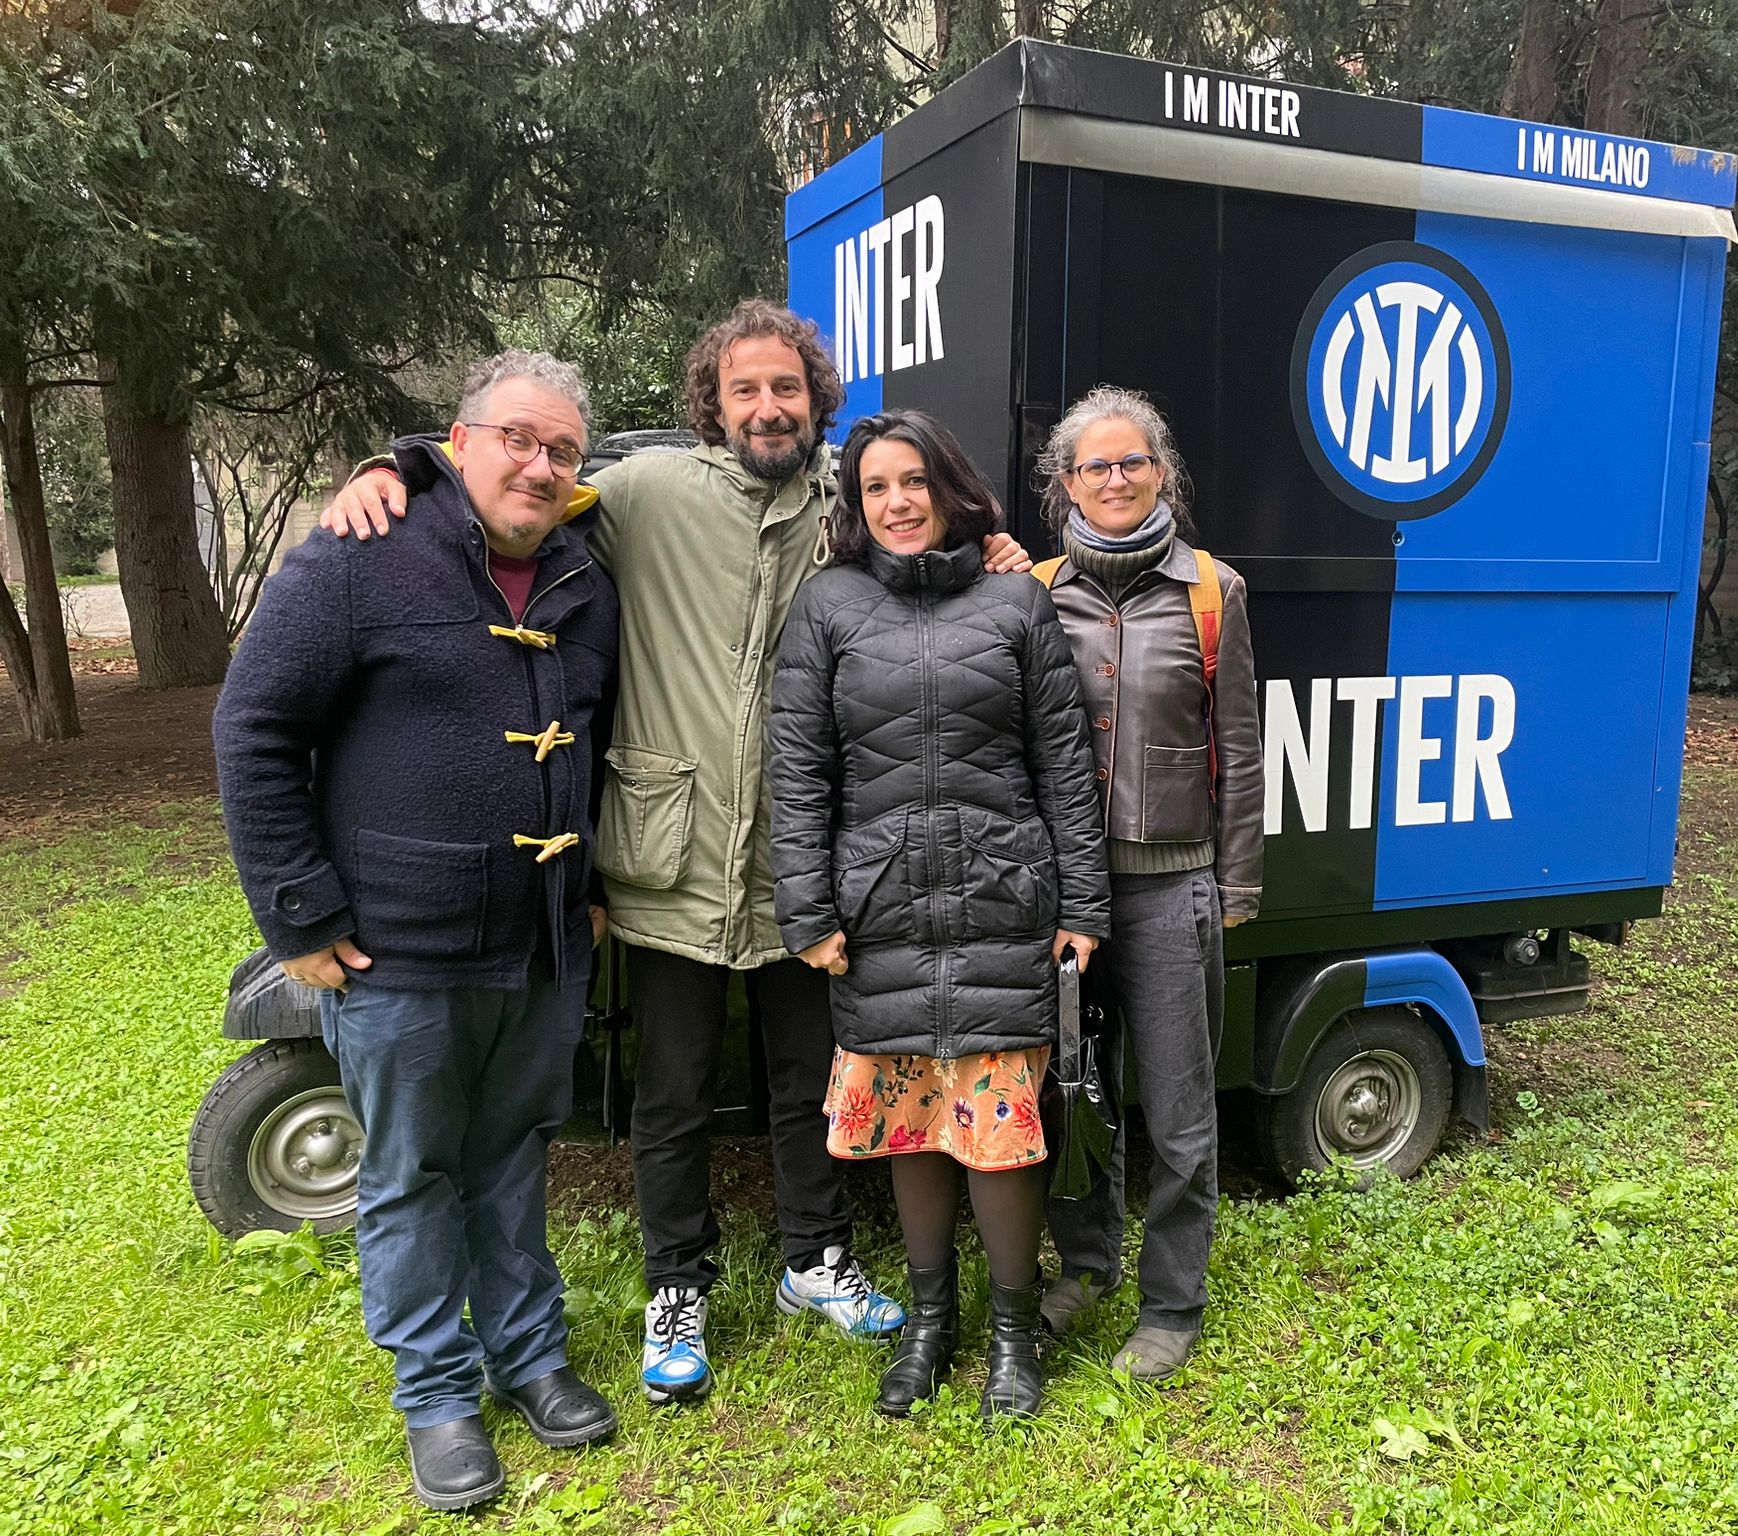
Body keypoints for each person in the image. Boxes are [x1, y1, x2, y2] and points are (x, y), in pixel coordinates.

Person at [319, 301, 1031, 1408]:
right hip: (669, 855)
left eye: (785, 387)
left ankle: (815, 1258)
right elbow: (514, 492)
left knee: (810, 1077)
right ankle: (675, 1288)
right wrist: (398, 468)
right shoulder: (643, 493)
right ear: (712, 401)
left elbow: (925, 560)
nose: (766, 407)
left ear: (814, 401)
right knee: (675, 1089)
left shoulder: (845, 513)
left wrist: (991, 552)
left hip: (809, 863)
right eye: (743, 388)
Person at [214, 351, 621, 1512]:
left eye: (561, 453)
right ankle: (437, 1393)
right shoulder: (363, 553)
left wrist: (580, 875)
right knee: (408, 1173)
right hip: (397, 948)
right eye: (517, 441)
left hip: (540, 943)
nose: (538, 467)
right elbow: (251, 727)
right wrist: (295, 910)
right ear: (459, 438)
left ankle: (528, 1356)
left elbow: (592, 740)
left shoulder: (584, 579)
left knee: (511, 1156)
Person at [768, 410, 1111, 1419]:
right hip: (876, 916)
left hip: (1002, 901)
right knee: (914, 1126)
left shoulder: (1014, 604)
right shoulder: (825, 605)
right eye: (876, 487)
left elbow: (1064, 768)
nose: (898, 502)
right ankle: (930, 1325)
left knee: (998, 1125)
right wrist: (807, 908)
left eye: (913, 481)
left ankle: (1013, 1338)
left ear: (950, 488)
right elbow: (796, 771)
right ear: (855, 504)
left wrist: (1082, 903)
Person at [1029, 385, 1264, 1382]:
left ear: (1160, 473)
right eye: (1094, 466)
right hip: (1065, 899)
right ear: (1063, 485)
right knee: (1071, 1095)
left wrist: (1234, 883)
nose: (1115, 479)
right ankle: (1085, 1267)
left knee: (1177, 1114)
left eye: (1132, 462)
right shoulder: (1033, 592)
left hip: (1174, 893)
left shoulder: (1214, 591)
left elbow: (1242, 747)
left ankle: (1171, 1304)